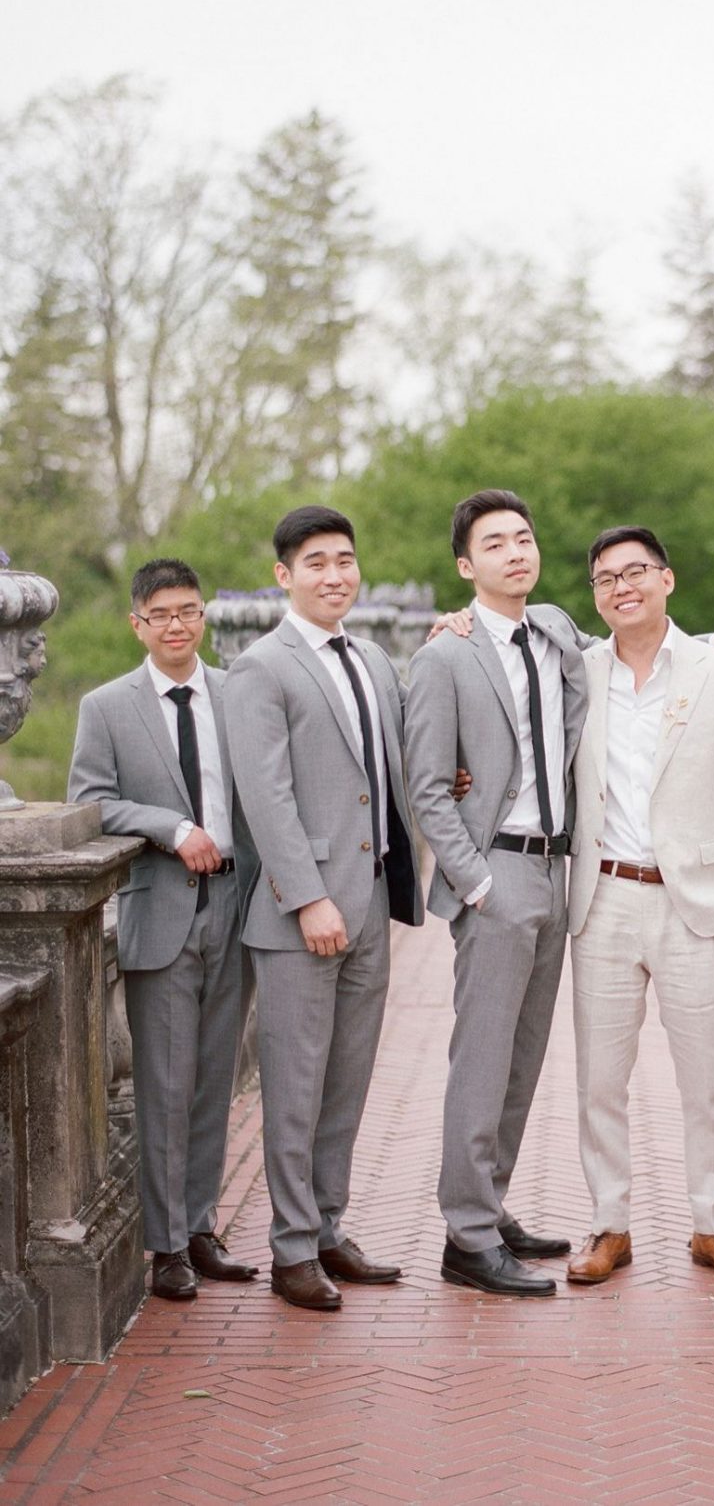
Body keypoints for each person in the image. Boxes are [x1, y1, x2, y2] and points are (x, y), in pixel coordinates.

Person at [224, 505, 422, 1311]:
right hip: (301, 914)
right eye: (316, 562)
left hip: (371, 898)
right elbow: (266, 797)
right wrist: (308, 898)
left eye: (345, 559)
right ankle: (292, 1248)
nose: (335, 574)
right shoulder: (260, 669)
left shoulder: (371, 658)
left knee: (346, 1078)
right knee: (296, 1082)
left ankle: (329, 1226)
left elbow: (393, 760)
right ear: (284, 575)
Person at [565, 526, 714, 1285]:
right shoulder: (578, 672)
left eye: (635, 573)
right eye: (605, 579)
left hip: (697, 903)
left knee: (707, 1076)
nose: (621, 588)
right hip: (602, 899)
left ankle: (713, 1224)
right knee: (599, 1079)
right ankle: (609, 1224)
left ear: (667, 579)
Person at [406, 490, 587, 1298]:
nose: (516, 552)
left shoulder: (556, 632)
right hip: (498, 870)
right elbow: (426, 786)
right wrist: (475, 881)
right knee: (481, 1059)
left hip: (556, 867)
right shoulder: (444, 655)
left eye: (524, 537)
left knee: (523, 1056)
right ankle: (467, 1236)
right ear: (464, 564)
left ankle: (491, 1202)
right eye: (495, 543)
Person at [68, 558, 259, 1300]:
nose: (177, 625)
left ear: (204, 615)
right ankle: (166, 1244)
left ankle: (201, 1228)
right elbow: (90, 801)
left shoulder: (239, 692)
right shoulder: (106, 707)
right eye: (161, 614)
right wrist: (170, 826)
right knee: (164, 1087)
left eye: (188, 611)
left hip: (237, 906)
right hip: (160, 910)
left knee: (216, 1078)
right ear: (137, 624)